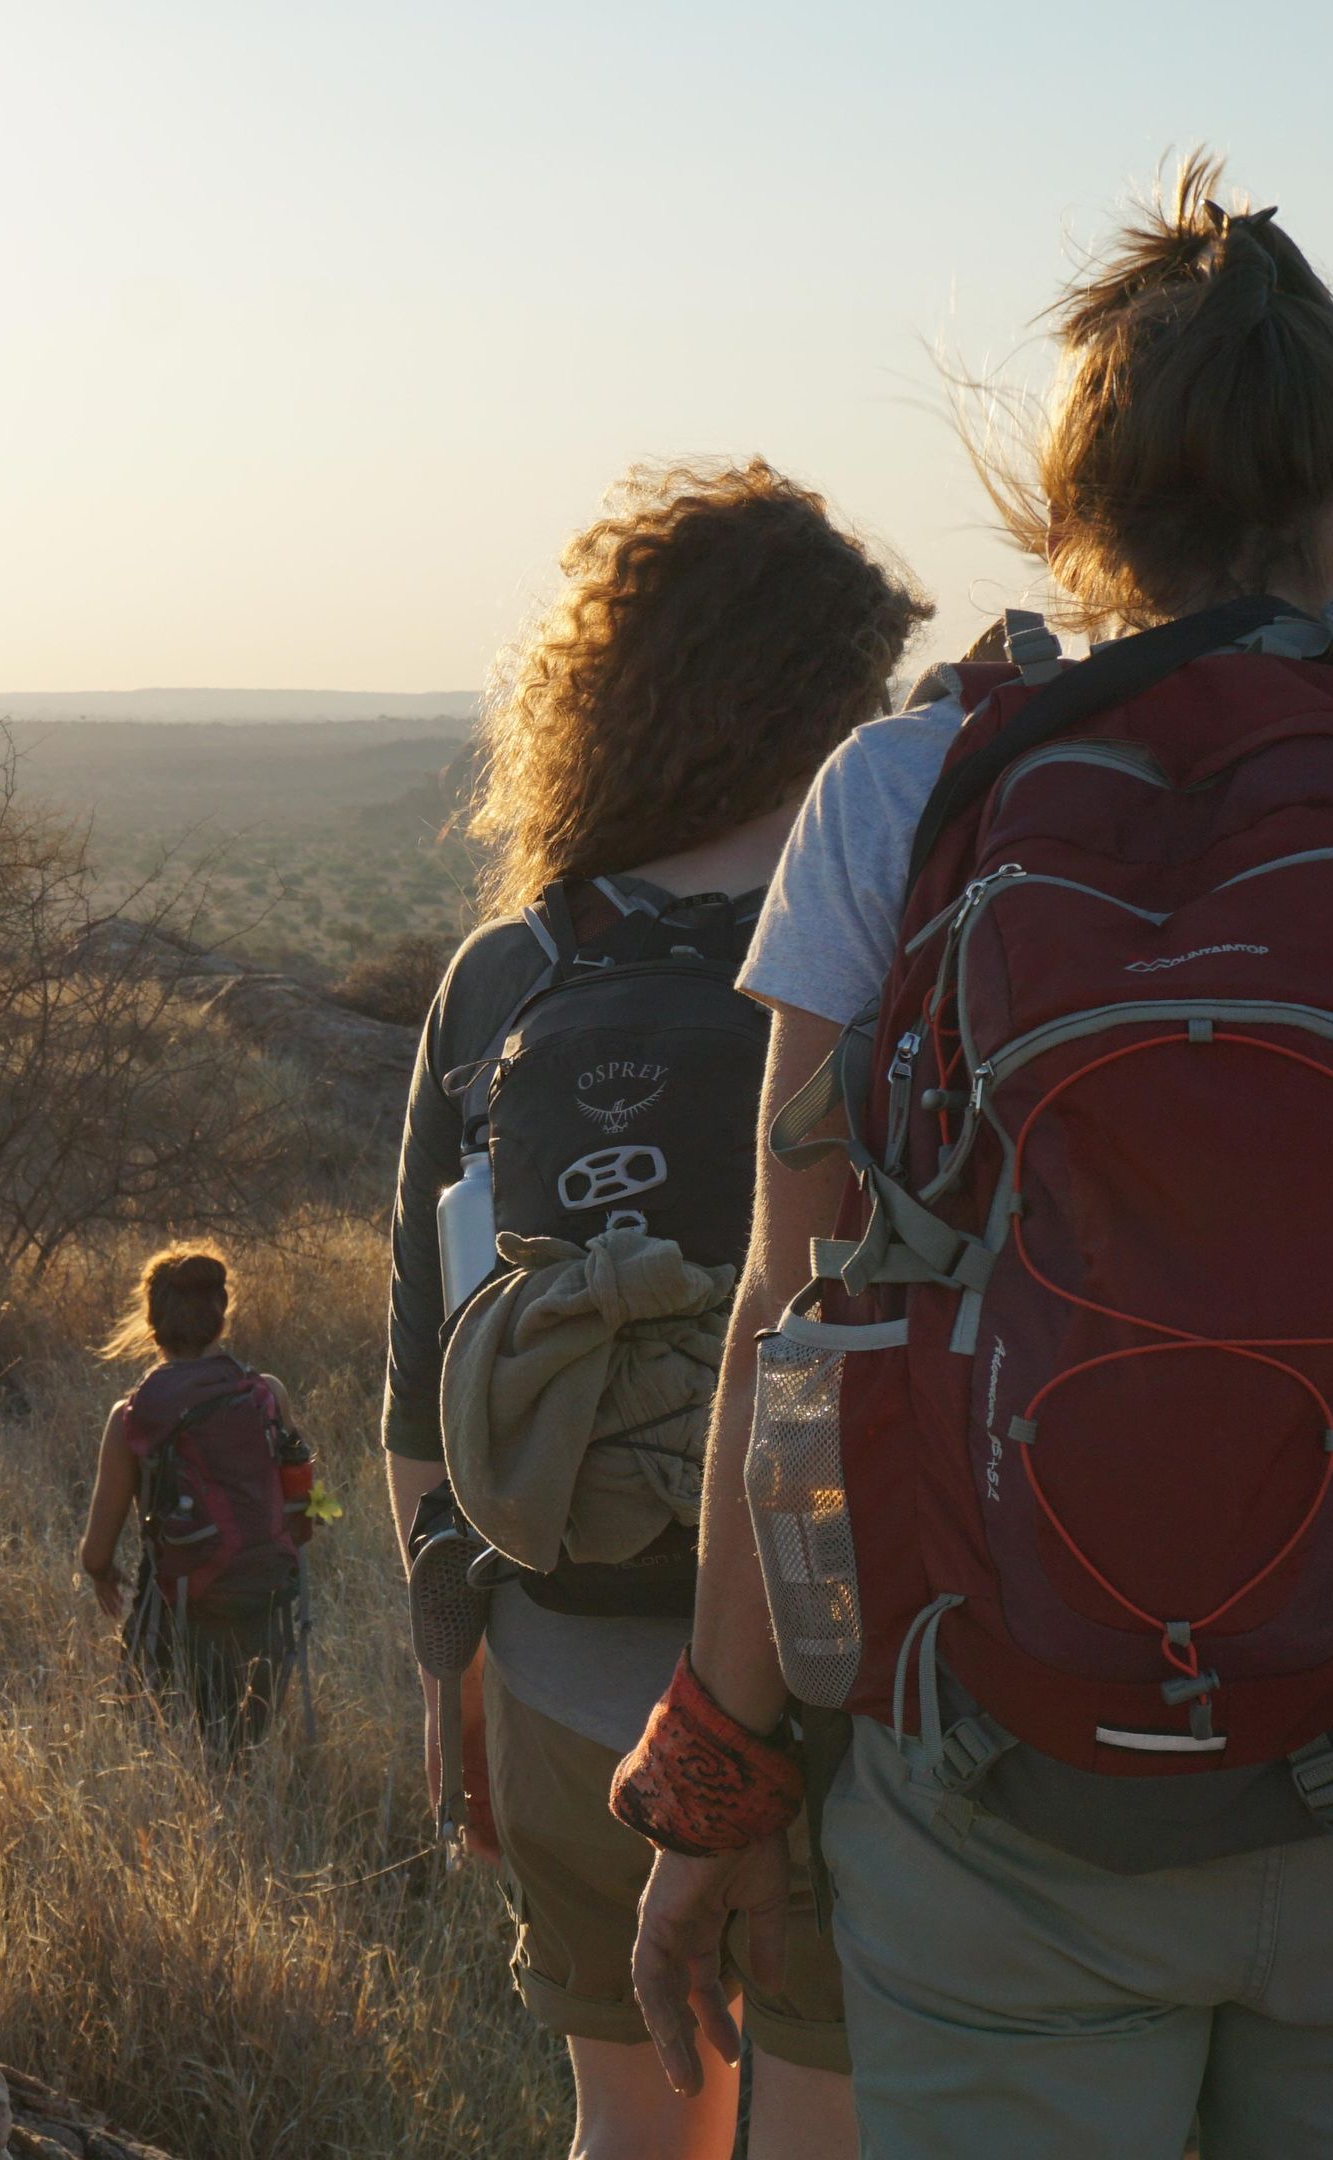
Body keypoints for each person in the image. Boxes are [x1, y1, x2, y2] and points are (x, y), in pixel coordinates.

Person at [627, 159, 1333, 2160]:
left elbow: (781, 1324)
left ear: (1069, 517)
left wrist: (723, 1773)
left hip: (997, 1784)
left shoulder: (902, 792)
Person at [382, 459, 925, 2159]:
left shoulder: (511, 971)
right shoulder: (898, 937)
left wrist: (451, 1671)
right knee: (821, 2125)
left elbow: (427, 1377)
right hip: (846, 1669)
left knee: (630, 2120)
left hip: (556, 1661)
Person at [81, 1246, 321, 1755]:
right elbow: (306, 1500)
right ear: (222, 1314)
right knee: (244, 1752)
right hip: (264, 1600)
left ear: (152, 1322)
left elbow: (96, 1550)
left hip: (176, 1608)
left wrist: (102, 1575)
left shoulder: (132, 1415)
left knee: (157, 1753)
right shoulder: (268, 1393)